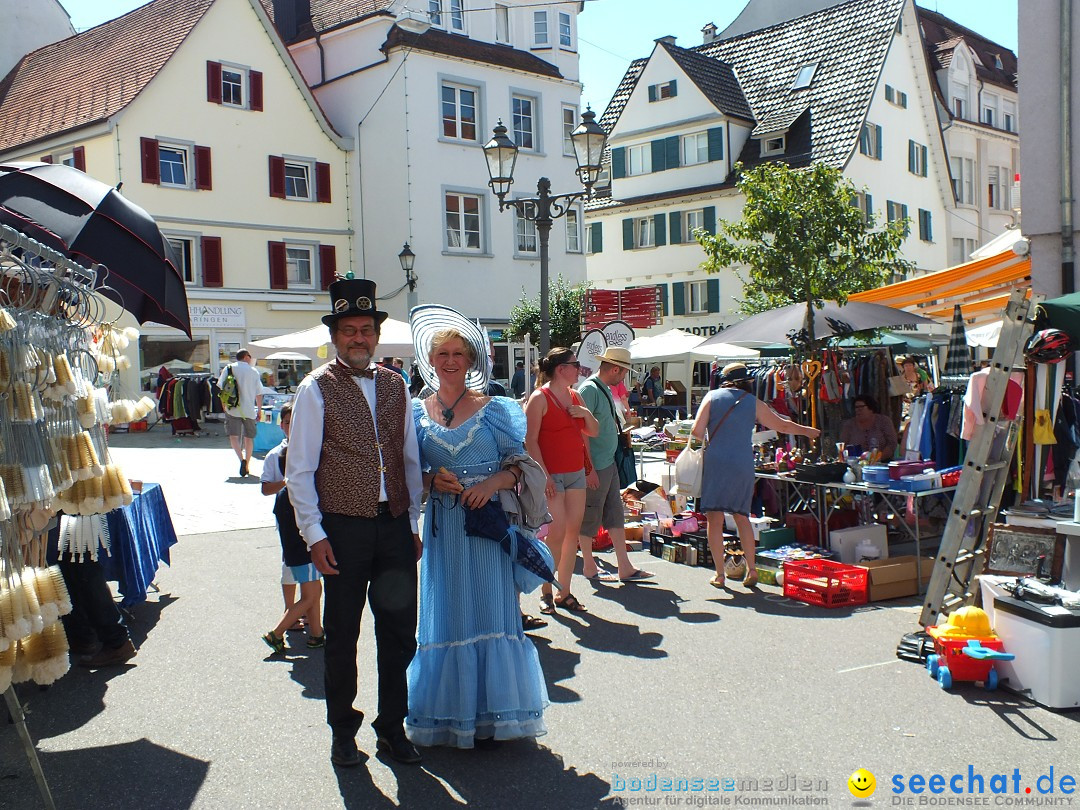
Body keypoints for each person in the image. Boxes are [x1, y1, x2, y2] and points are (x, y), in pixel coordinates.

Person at [285, 278, 424, 768]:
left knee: (399, 631)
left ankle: (392, 727)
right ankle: (343, 731)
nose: (358, 338)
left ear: (376, 335)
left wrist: (412, 520)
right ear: (336, 335)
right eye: (349, 330)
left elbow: (408, 456)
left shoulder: (395, 384)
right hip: (341, 528)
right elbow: (298, 470)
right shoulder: (314, 388)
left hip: (393, 526)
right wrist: (314, 534)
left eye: (366, 329)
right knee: (343, 635)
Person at [405, 312, 548, 749]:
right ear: (430, 360)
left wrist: (490, 484)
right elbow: (407, 474)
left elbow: (522, 468)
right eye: (442, 354)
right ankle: (452, 715)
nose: (450, 361)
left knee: (490, 607)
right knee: (448, 612)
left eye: (458, 354)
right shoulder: (413, 412)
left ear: (470, 360)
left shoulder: (496, 409)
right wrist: (431, 482)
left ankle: (493, 712)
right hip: (444, 529)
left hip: (486, 528)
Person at [691, 363, 819, 589]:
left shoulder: (712, 397)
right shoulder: (753, 402)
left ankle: (720, 574)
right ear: (747, 381)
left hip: (717, 462)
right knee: (742, 516)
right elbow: (781, 426)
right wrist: (807, 431)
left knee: (715, 518)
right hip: (742, 462)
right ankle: (751, 569)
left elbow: (696, 432)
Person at [525, 347, 600, 615]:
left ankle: (564, 592)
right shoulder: (539, 398)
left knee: (572, 534)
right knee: (555, 535)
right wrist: (543, 475)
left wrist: (585, 415)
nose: (579, 369)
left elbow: (592, 432)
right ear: (561, 369)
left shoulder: (575, 396)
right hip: (551, 476)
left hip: (575, 473)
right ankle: (546, 590)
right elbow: (530, 440)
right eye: (575, 364)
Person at [576, 346, 654, 583]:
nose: (624, 377)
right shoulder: (590, 389)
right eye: (624, 372)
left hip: (605, 462)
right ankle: (589, 566)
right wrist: (588, 468)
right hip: (597, 465)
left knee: (615, 513)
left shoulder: (601, 389)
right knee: (590, 515)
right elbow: (581, 431)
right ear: (615, 369)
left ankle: (624, 566)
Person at [260, 402, 324, 652]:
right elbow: (268, 489)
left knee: (314, 589)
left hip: (302, 539)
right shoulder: (282, 468)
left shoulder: (291, 492)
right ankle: (277, 632)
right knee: (310, 593)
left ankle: (316, 633)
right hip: (302, 540)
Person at [217, 349, 263, 477]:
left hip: (233, 408)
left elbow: (221, 389)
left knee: (234, 436)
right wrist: (259, 410)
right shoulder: (253, 371)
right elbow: (259, 393)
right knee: (249, 438)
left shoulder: (228, 368)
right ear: (246, 357)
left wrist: (224, 406)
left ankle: (241, 459)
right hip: (249, 409)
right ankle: (247, 463)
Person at [839, 394, 898, 460]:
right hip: (855, 463)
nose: (858, 410)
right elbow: (842, 446)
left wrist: (878, 458)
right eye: (856, 407)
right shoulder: (849, 425)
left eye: (861, 407)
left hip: (882, 462)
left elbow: (892, 443)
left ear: (871, 408)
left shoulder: (884, 421)